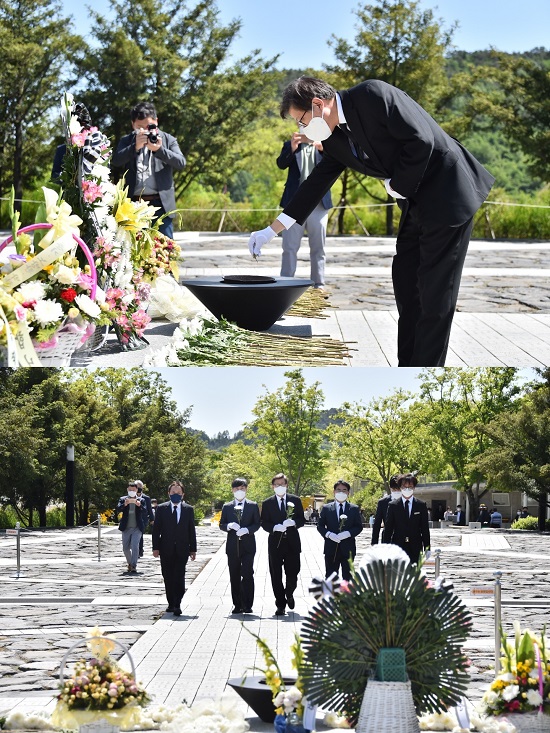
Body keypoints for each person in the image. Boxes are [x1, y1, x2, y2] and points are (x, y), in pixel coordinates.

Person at [247, 77, 495, 367]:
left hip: (448, 193)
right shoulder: (335, 138)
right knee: (406, 284)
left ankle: (425, 369)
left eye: (301, 120)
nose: (302, 129)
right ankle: (408, 364)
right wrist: (271, 230)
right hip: (416, 204)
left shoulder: (372, 95)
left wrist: (396, 185)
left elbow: (421, 140)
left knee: (434, 293)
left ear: (317, 105)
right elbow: (314, 186)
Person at [112, 101, 186, 238]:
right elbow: (116, 161)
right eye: (139, 127)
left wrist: (160, 150)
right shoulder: (127, 140)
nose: (144, 131)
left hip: (161, 204)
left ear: (156, 122)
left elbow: (181, 163)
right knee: (135, 249)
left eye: (148, 126)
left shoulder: (168, 139)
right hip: (134, 204)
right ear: (132, 124)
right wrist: (134, 147)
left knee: (164, 249)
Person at [277, 132, 332, 288]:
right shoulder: (290, 144)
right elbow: (281, 164)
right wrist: (292, 148)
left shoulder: (326, 144)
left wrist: (323, 148)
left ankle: (319, 284)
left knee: (318, 247)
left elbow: (339, 161)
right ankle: (286, 283)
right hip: (293, 203)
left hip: (319, 203)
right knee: (289, 247)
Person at [260, 473, 305, 616]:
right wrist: (274, 528)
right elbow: (264, 522)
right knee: (276, 575)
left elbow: (301, 519)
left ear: (286, 485)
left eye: (282, 484)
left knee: (293, 572)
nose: (280, 487)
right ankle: (280, 603)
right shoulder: (267, 503)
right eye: (277, 485)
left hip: (292, 543)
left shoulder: (295, 500)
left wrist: (294, 523)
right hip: (275, 543)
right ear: (273, 487)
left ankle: (289, 593)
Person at [152, 480, 196, 616]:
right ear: (168, 493)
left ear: (183, 494)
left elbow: (191, 530)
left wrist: (193, 549)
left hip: (182, 548)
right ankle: (171, 603)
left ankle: (177, 603)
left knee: (179, 575)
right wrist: (155, 547)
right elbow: (156, 530)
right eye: (173, 492)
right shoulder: (162, 508)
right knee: (167, 575)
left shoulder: (188, 509)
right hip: (166, 548)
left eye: (178, 492)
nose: (175, 495)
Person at [219, 478, 261, 614]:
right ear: (232, 490)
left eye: (242, 488)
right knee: (234, 575)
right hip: (232, 546)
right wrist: (229, 526)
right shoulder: (227, 506)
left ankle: (248, 604)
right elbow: (221, 524)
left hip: (248, 545)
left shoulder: (253, 505)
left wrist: (248, 530)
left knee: (247, 573)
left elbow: (257, 524)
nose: (239, 491)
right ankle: (237, 604)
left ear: (246, 489)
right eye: (237, 489)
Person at [317, 480, 363, 581]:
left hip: (348, 548)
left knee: (348, 577)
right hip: (331, 547)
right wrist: (329, 534)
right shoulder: (326, 508)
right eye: (338, 490)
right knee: (331, 577)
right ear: (334, 492)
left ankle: (347, 596)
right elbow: (320, 526)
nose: (341, 493)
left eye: (344, 490)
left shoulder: (354, 509)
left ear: (348, 493)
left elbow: (359, 527)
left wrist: (348, 533)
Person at [383, 473, 430, 564]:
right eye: (404, 487)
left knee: (414, 574)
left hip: (415, 546)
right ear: (400, 487)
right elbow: (388, 529)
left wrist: (427, 548)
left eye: (410, 486)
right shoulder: (393, 505)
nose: (407, 489)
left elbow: (424, 528)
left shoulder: (421, 505)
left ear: (414, 488)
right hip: (398, 546)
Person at [116, 481, 148, 573]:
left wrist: (140, 505)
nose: (131, 491)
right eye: (130, 490)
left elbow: (146, 511)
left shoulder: (141, 500)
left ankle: (133, 565)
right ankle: (130, 563)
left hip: (137, 528)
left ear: (136, 490)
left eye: (133, 490)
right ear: (127, 490)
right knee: (125, 548)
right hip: (126, 527)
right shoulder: (123, 499)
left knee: (135, 546)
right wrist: (124, 504)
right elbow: (118, 509)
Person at [371, 474, 401, 545]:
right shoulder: (383, 502)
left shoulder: (407, 501)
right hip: (387, 539)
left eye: (398, 489)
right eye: (394, 489)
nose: (396, 491)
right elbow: (377, 523)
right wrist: (374, 543)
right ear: (390, 488)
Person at [135, 480, 153, 558]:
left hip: (143, 519)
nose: (138, 489)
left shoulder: (146, 498)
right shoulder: (130, 497)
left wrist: (152, 519)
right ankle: (136, 549)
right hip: (133, 519)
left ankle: (140, 550)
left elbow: (149, 509)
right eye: (137, 487)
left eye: (140, 487)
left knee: (140, 534)